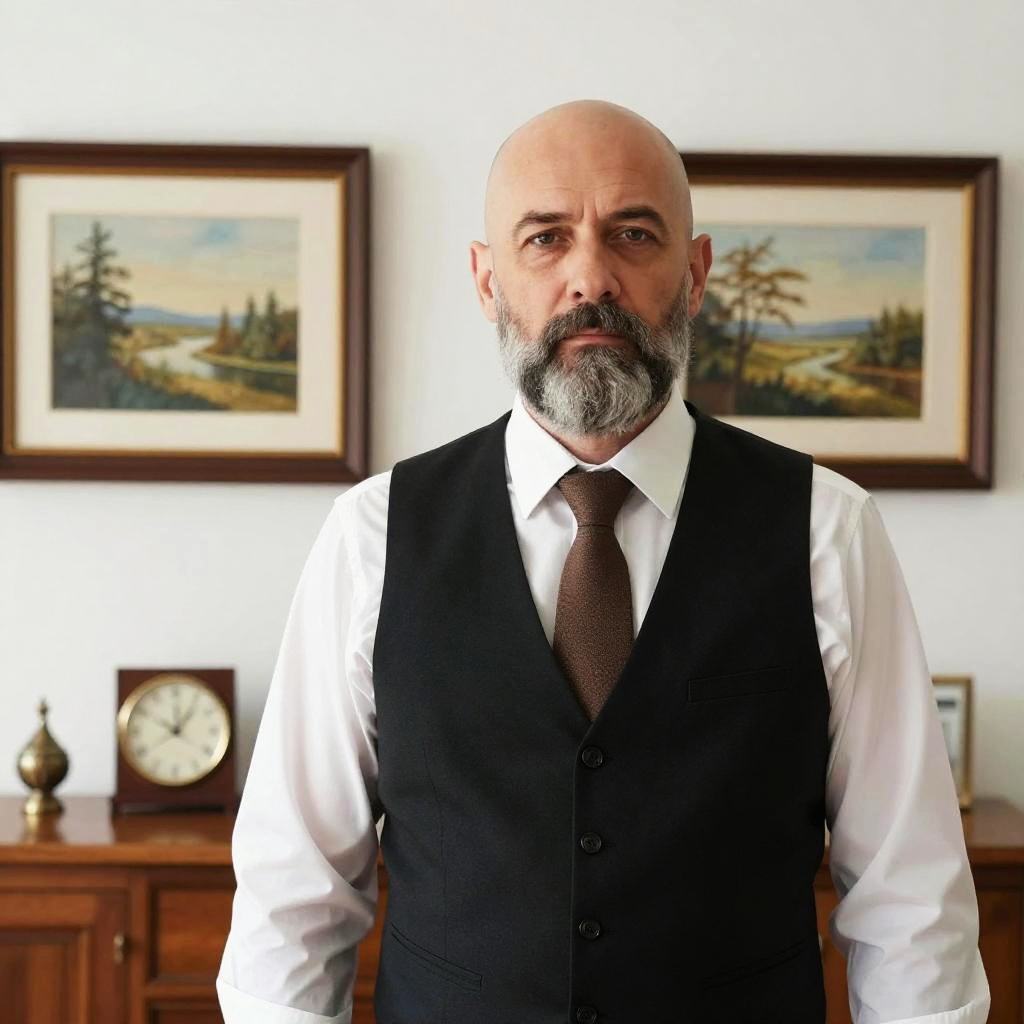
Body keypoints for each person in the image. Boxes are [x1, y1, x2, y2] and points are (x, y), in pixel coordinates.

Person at [216, 100, 990, 1023]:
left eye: (633, 233)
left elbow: (911, 906)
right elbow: (291, 902)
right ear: (486, 280)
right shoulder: (371, 536)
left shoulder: (828, 530)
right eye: (545, 239)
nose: (591, 277)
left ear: (695, 275)